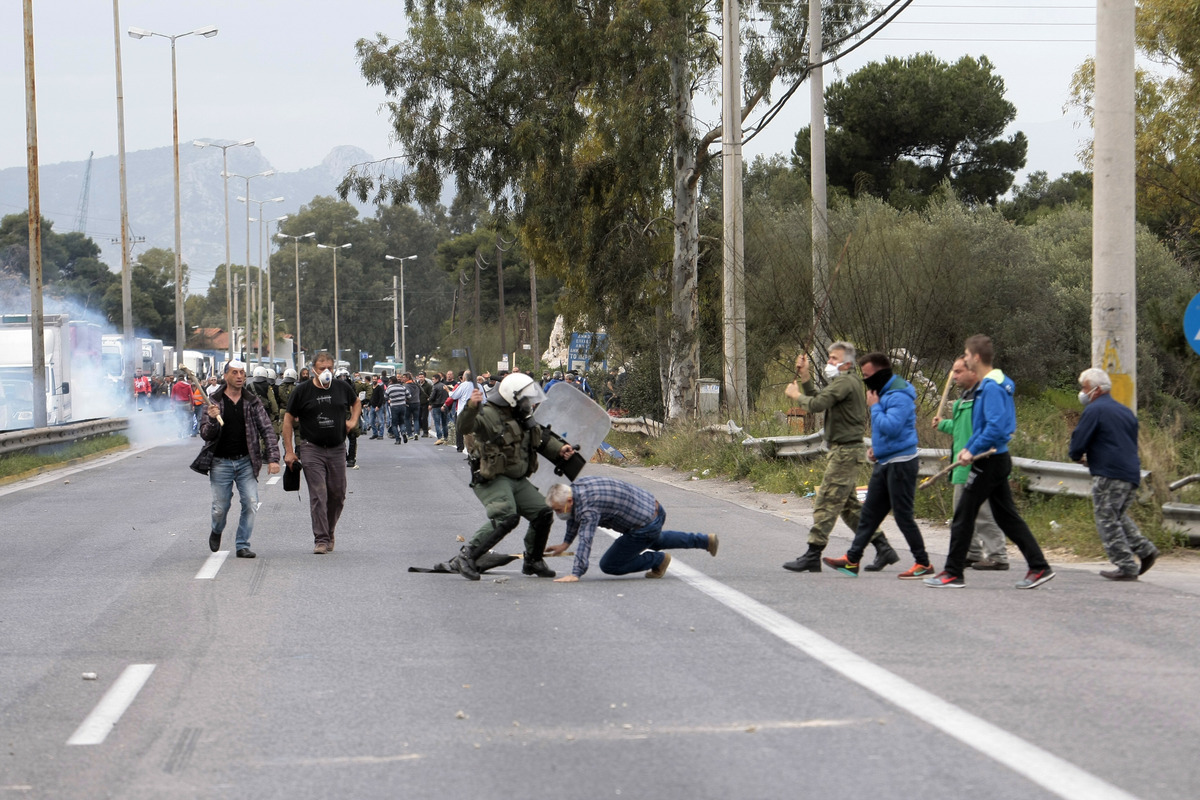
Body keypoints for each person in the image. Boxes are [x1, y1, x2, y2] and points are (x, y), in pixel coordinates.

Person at [924, 335, 1055, 589]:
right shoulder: (993, 384)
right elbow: (996, 426)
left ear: (975, 357)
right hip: (995, 459)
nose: (964, 359)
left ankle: (953, 572)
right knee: (1007, 518)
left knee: (963, 514)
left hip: (989, 460)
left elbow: (995, 427)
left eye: (966, 354)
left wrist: (970, 449)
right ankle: (1039, 566)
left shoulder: (992, 387)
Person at [781, 343, 899, 573]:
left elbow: (816, 404)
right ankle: (883, 547)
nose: (829, 362)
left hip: (846, 452)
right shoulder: (843, 382)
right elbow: (819, 397)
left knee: (826, 500)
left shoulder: (846, 382)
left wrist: (796, 395)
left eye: (833, 358)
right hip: (844, 450)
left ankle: (813, 553)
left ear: (847, 363)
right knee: (849, 507)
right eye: (829, 358)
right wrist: (805, 376)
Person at [448, 373, 575, 581]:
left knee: (542, 513)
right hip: (493, 478)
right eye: (525, 398)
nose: (529, 403)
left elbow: (539, 436)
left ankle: (533, 560)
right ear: (512, 397)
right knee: (507, 516)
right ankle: (467, 556)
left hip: (517, 478)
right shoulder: (488, 414)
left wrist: (560, 449)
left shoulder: (521, 414)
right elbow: (465, 427)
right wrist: (471, 407)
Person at [823, 352, 933, 578]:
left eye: (867, 375)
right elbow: (888, 433)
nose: (865, 380)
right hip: (885, 462)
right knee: (869, 515)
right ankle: (852, 560)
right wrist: (877, 450)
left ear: (881, 373)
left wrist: (874, 406)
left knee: (903, 516)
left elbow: (891, 426)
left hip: (901, 464)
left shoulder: (899, 394)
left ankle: (923, 563)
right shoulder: (884, 391)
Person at [1068, 367, 1158, 580]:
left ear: (1097, 390)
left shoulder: (1094, 410)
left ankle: (1126, 565)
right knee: (1117, 516)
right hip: (1131, 473)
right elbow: (1118, 442)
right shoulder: (1125, 411)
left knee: (1106, 518)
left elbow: (1079, 441)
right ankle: (1145, 550)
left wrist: (1077, 455)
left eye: (1085, 387)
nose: (1082, 392)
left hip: (1109, 475)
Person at [544, 477, 719, 581]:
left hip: (643, 525)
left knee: (609, 564)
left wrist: (576, 573)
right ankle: (705, 540)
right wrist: (566, 543)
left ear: (569, 501)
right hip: (653, 508)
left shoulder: (589, 508)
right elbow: (575, 516)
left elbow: (586, 539)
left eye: (558, 509)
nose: (558, 513)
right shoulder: (577, 487)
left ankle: (657, 560)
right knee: (656, 539)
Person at [190, 360, 279, 559]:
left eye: (242, 373)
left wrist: (273, 458)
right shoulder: (213, 401)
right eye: (235, 372)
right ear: (226, 375)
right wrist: (213, 419)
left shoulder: (252, 401)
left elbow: (267, 430)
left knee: (250, 502)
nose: (240, 376)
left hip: (246, 461)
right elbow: (205, 434)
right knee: (220, 507)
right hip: (220, 462)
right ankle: (216, 529)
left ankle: (242, 544)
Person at [933, 357, 1009, 570]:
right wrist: (943, 425)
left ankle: (998, 555)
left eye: (958, 371)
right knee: (962, 514)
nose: (954, 376)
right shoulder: (962, 401)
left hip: (976, 463)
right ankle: (973, 552)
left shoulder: (980, 400)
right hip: (961, 465)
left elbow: (984, 430)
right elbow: (960, 428)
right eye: (954, 372)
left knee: (983, 514)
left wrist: (973, 453)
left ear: (972, 372)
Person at [282, 351, 362, 554]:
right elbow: (288, 420)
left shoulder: (342, 387)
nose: (326, 372)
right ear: (312, 370)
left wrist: (352, 421)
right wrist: (289, 452)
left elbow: (356, 403)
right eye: (321, 369)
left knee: (338, 494)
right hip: (311, 448)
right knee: (319, 494)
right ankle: (321, 538)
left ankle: (329, 530)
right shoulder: (302, 391)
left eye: (330, 368)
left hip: (336, 448)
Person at [447, 370, 478, 453]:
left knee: (465, 432)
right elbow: (484, 399)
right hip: (476, 411)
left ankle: (470, 451)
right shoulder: (478, 386)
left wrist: (448, 391)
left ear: (465, 377)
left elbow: (453, 395)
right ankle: (474, 449)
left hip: (464, 412)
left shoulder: (463, 385)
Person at [385, 375, 410, 443]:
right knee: (402, 422)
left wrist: (390, 399)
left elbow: (385, 396)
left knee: (394, 424)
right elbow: (409, 395)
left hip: (394, 407)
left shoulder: (389, 388)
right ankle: (403, 432)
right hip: (402, 406)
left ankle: (398, 439)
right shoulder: (402, 387)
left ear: (391, 381)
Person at [429, 373, 450, 444]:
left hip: (436, 405)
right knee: (444, 423)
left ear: (437, 379)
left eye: (433, 379)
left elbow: (432, 396)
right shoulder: (444, 386)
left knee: (437, 423)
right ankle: (446, 437)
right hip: (444, 405)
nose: (432, 381)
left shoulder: (435, 387)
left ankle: (439, 437)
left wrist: (429, 400)